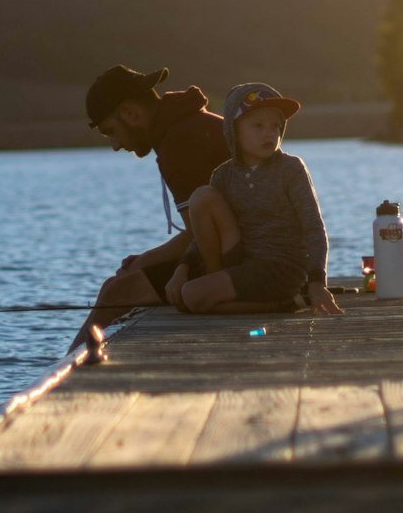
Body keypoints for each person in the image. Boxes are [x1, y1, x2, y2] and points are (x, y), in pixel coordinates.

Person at [68, 64, 230, 349]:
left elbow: (200, 237)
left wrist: (144, 263)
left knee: (117, 292)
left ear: (131, 114)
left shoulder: (179, 144)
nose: (116, 145)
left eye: (111, 132)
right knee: (115, 287)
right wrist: (146, 259)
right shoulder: (191, 125)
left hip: (250, 256)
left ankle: (67, 368)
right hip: (247, 246)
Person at [180, 82, 343, 317]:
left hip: (281, 268)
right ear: (234, 130)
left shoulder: (290, 169)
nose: (269, 133)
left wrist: (317, 281)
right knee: (202, 197)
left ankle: (282, 303)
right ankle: (282, 302)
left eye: (275, 126)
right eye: (258, 125)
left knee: (192, 297)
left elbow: (314, 228)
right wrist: (183, 268)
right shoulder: (224, 175)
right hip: (244, 263)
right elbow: (206, 232)